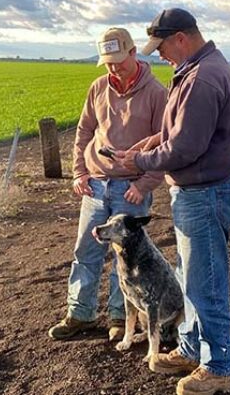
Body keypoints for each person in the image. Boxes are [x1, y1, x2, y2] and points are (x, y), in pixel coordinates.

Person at [115, 8, 230, 395]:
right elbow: (179, 131)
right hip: (200, 191)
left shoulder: (202, 78)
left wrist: (139, 161)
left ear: (182, 39)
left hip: (204, 193)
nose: (159, 56)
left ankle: (219, 367)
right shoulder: (198, 69)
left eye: (162, 48)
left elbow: (185, 147)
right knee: (190, 277)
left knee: (205, 284)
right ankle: (190, 348)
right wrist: (152, 141)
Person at [48, 27, 167, 341]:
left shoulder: (156, 93)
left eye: (118, 60)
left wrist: (145, 185)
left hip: (131, 189)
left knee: (125, 259)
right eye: (108, 63)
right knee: (85, 251)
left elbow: (165, 145)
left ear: (133, 52)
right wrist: (79, 173)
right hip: (96, 186)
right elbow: (84, 132)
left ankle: (119, 318)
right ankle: (80, 314)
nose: (113, 68)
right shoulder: (98, 87)